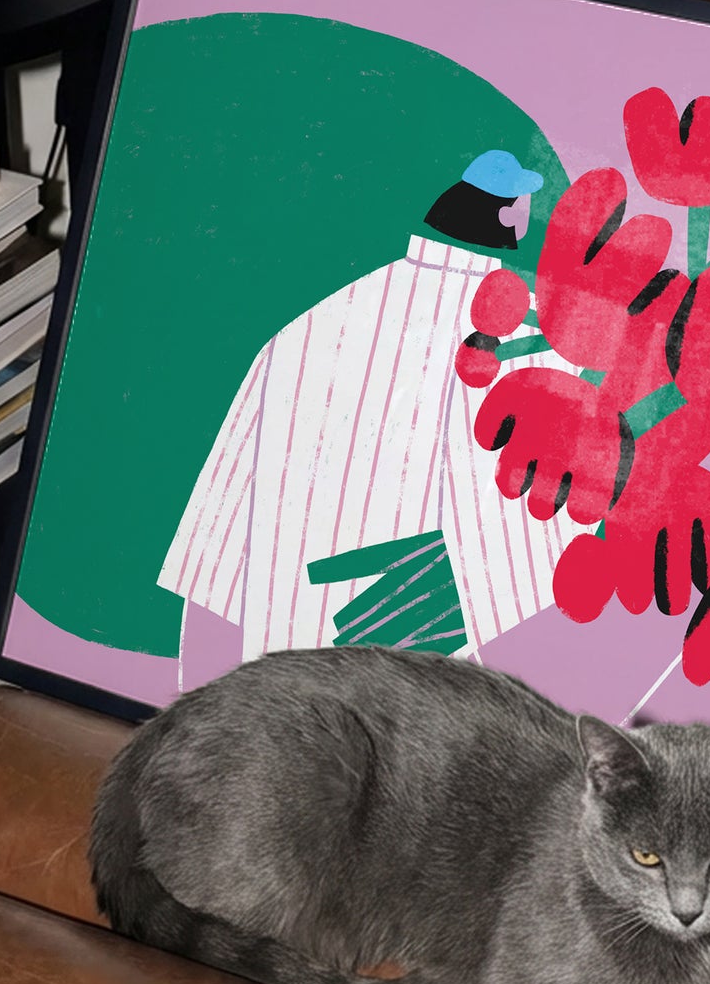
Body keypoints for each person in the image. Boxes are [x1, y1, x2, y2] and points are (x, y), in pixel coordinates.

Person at [157, 150, 583, 671]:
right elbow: (553, 531)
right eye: (520, 203)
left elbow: (213, 547)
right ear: (503, 213)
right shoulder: (531, 340)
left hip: (284, 650)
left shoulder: (306, 327)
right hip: (424, 650)